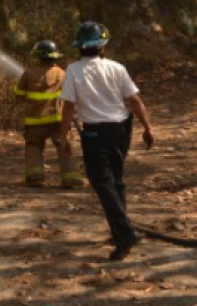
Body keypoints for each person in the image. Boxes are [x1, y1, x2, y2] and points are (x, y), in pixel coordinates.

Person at [58, 22, 155, 261]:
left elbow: (69, 106)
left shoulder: (73, 70)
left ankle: (125, 232)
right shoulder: (117, 68)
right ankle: (118, 230)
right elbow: (134, 101)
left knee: (101, 182)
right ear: (103, 46)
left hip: (95, 134)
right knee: (116, 180)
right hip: (121, 130)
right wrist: (148, 128)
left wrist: (63, 137)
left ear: (79, 47)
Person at [14, 40, 85, 189]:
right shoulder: (62, 73)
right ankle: (71, 178)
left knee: (34, 147)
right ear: (56, 56)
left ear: (38, 56)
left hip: (35, 121)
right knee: (64, 147)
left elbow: (18, 94)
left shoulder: (29, 73)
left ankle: (35, 177)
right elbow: (71, 95)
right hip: (58, 120)